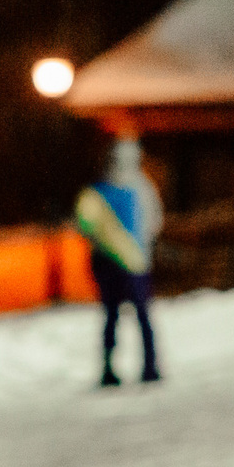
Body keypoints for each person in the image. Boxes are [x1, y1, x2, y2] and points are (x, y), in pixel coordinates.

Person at [73, 137, 162, 386]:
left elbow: (83, 224)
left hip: (108, 262)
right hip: (134, 262)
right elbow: (155, 222)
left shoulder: (97, 191)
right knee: (141, 317)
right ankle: (149, 367)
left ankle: (110, 369)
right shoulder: (142, 187)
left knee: (113, 317)